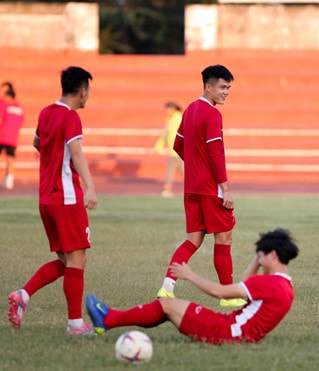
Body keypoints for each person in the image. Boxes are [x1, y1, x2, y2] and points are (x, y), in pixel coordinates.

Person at [86, 228, 299, 344]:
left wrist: (190, 275)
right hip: (232, 330)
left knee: (167, 305)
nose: (259, 263)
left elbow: (220, 292)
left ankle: (107, 319)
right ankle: (109, 318)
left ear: (273, 255)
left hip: (227, 333)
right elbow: (245, 283)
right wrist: (259, 255)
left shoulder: (270, 283)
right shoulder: (284, 286)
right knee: (167, 307)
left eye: (261, 258)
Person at [8, 66, 98, 334]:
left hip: (46, 199)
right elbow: (76, 153)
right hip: (66, 198)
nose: (88, 96)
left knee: (67, 260)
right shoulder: (71, 117)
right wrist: (90, 187)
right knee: (77, 259)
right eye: (88, 91)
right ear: (82, 90)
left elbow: (38, 142)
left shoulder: (46, 112)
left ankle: (23, 295)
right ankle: (75, 324)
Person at [155, 64, 244, 307]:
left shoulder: (190, 110)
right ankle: (228, 296)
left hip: (192, 187)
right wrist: (225, 188)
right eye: (223, 87)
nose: (226, 92)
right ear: (208, 86)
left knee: (193, 239)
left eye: (228, 88)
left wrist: (195, 167)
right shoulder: (213, 114)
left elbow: (177, 145)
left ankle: (167, 287)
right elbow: (216, 154)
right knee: (224, 239)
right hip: (210, 189)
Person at [154, 101, 184, 198]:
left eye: (168, 109)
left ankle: (167, 190)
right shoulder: (170, 120)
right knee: (185, 173)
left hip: (179, 151)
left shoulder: (178, 119)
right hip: (174, 151)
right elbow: (166, 136)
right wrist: (159, 146)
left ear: (173, 109)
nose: (167, 111)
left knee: (171, 172)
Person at [0, 83, 24, 190]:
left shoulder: (4, 105)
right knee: (10, 159)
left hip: (2, 136)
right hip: (13, 138)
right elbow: (21, 122)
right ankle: (9, 180)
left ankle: (8, 179)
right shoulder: (19, 108)